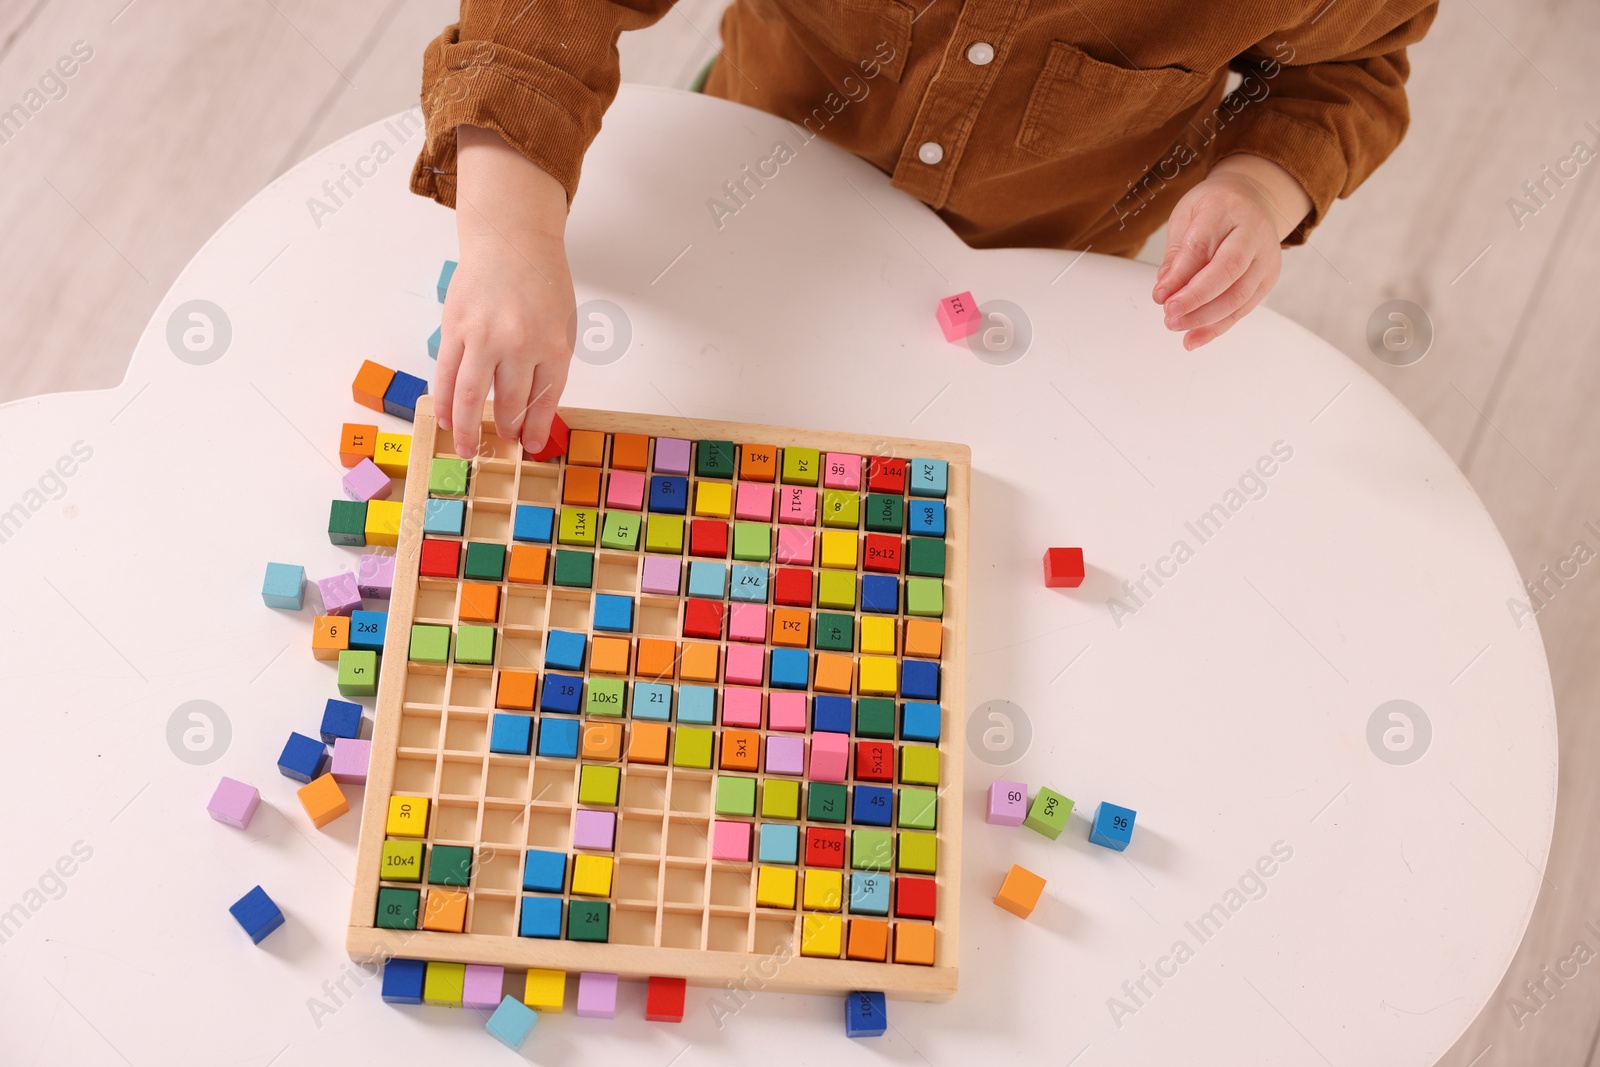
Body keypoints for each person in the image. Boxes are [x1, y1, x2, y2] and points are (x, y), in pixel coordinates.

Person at [412, 1, 1437, 458]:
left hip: (1035, 275)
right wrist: (509, 236)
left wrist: (1262, 185)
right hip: (749, 184)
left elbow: (1346, 71)